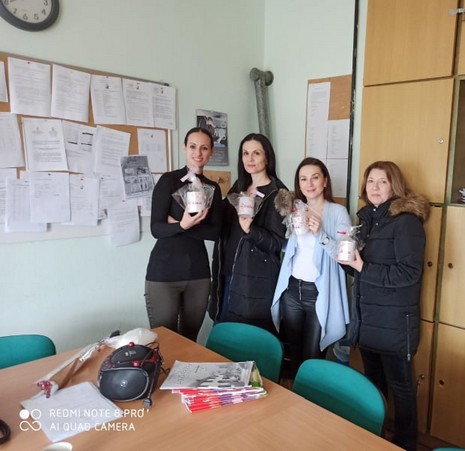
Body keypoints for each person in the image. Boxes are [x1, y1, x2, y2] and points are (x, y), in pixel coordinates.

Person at [339, 161, 429, 451]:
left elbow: (409, 273)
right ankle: (374, 439)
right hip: (368, 318)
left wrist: (361, 267)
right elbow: (363, 269)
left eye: (382, 181)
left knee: (401, 388)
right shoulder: (368, 219)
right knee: (373, 384)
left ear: (395, 186)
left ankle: (405, 444)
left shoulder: (406, 222)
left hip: (394, 322)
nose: (375, 187)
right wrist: (347, 263)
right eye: (370, 181)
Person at [271, 157, 351, 378]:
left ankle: (310, 398)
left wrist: (321, 235)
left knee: (313, 359)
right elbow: (288, 248)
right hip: (292, 290)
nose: (309, 183)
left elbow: (345, 256)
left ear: (324, 181)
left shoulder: (338, 212)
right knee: (294, 356)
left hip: (319, 293)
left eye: (315, 177)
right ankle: (295, 398)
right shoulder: (296, 209)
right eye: (303, 179)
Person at [144, 127, 223, 342]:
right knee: (165, 340)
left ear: (211, 152)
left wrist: (182, 225)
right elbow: (156, 229)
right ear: (184, 148)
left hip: (198, 274)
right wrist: (183, 225)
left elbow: (215, 233)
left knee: (190, 340)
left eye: (204, 148)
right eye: (193, 146)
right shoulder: (168, 181)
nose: (198, 153)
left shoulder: (212, 188)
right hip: (164, 275)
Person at [209, 133, 288, 335]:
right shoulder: (239, 187)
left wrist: (251, 231)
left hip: (253, 280)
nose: (250, 159)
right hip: (227, 272)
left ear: (267, 158)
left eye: (256, 153)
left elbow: (278, 243)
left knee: (244, 338)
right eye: (245, 153)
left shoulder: (279, 194)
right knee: (223, 334)